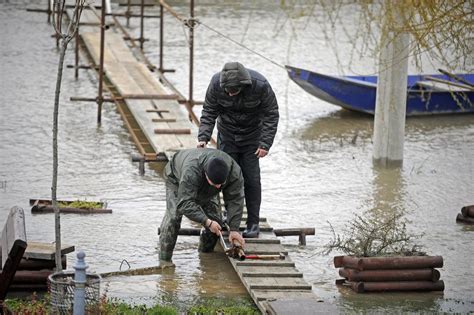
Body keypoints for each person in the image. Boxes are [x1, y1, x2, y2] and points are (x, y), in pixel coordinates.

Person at [197, 62, 279, 238]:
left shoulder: (260, 85)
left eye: (233, 90)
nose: (229, 93)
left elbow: (271, 114)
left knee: (251, 179)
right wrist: (203, 137)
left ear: (243, 85)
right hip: (227, 136)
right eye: (227, 90)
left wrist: (265, 144)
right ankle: (230, 216)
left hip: (252, 138)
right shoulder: (215, 83)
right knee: (227, 178)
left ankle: (253, 223)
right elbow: (209, 111)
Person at [159, 148, 245, 268]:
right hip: (176, 179)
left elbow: (235, 200)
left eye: (221, 184)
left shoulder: (234, 172)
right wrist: (207, 222)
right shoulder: (191, 171)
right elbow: (185, 203)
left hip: (206, 187)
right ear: (205, 174)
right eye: (215, 184)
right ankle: (165, 259)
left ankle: (205, 256)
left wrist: (234, 229)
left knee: (216, 221)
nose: (219, 186)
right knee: (173, 217)